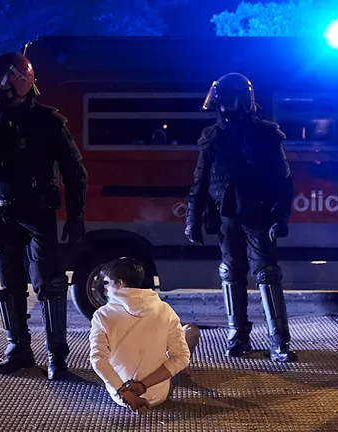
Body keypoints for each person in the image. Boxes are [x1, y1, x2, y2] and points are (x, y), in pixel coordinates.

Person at [0, 51, 88, 379]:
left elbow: (75, 173)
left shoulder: (49, 122)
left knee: (49, 285)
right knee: (11, 285)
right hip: (0, 215)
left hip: (38, 214)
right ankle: (19, 349)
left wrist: (75, 217)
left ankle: (57, 357)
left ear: (18, 84)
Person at [184, 72, 297, 363]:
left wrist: (279, 216)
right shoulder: (212, 137)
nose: (224, 108)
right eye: (221, 103)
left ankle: (279, 341)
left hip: (259, 212)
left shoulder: (267, 134)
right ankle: (238, 339)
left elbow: (284, 182)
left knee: (267, 274)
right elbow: (200, 182)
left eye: (229, 102)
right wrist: (192, 219)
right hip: (226, 215)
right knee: (230, 273)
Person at [89, 257, 199, 413]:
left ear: (120, 284)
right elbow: (181, 357)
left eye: (107, 283)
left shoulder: (102, 315)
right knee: (190, 331)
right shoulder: (165, 309)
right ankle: (179, 376)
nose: (105, 289)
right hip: (158, 394)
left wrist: (126, 393)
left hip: (120, 396)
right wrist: (142, 386)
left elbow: (98, 360)